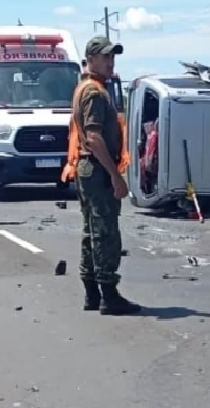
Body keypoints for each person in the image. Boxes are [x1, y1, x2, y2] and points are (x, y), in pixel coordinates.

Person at [72, 36, 140, 315]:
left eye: (112, 57)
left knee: (91, 229)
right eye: (105, 57)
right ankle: (108, 295)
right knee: (105, 232)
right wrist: (116, 176)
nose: (110, 62)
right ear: (91, 58)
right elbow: (94, 137)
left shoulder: (84, 88)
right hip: (98, 168)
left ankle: (91, 293)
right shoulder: (95, 93)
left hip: (88, 167)